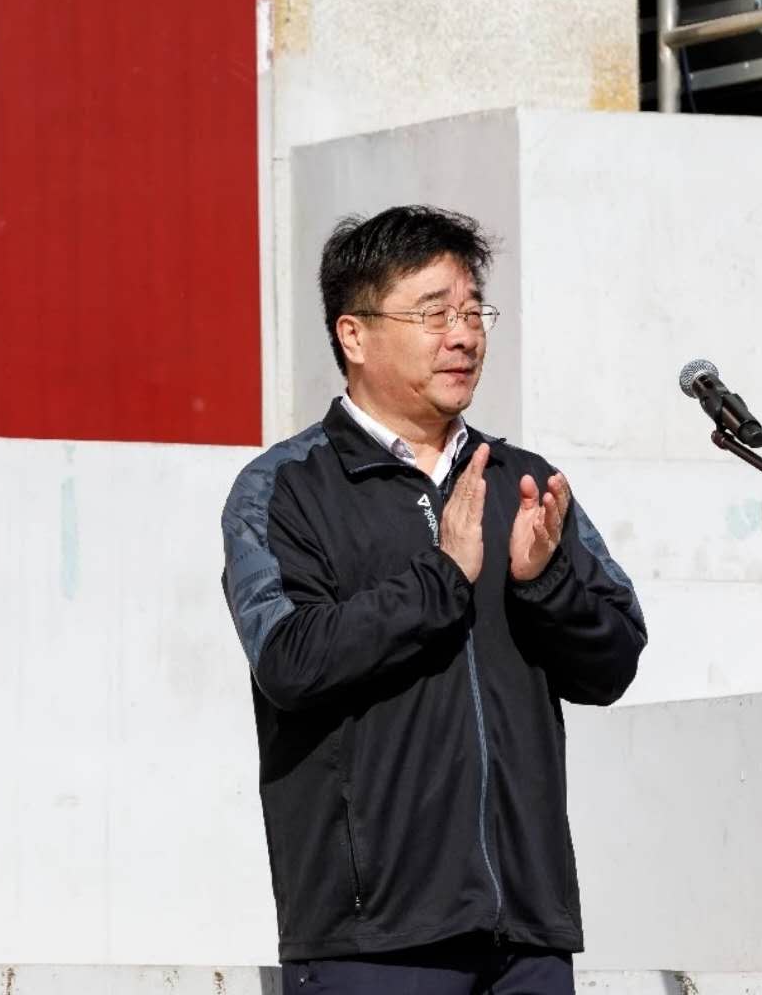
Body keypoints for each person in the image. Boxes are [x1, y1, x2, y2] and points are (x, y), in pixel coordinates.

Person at [220, 205, 647, 994]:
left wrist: (543, 583)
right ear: (354, 335)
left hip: (527, 929)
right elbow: (290, 660)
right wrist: (441, 579)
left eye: (473, 312)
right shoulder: (285, 488)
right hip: (374, 937)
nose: (464, 336)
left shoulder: (522, 481)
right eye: (433, 314)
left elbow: (614, 661)